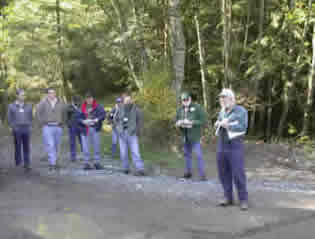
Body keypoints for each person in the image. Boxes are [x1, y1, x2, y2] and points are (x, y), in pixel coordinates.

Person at [215, 88, 249, 211]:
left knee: (238, 173)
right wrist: (218, 123)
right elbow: (220, 121)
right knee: (223, 173)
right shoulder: (222, 111)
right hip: (221, 145)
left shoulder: (241, 111)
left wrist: (227, 125)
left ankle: (243, 199)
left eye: (224, 98)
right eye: (221, 98)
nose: (222, 100)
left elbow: (243, 127)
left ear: (232, 99)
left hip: (235, 146)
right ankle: (227, 197)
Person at [175, 92, 207, 181]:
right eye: (183, 100)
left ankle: (202, 175)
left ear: (190, 99)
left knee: (198, 154)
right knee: (187, 155)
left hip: (195, 136)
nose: (185, 102)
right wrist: (178, 123)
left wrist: (192, 122)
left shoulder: (198, 108)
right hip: (185, 136)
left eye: (186, 99)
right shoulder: (180, 109)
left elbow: (204, 121)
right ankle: (188, 173)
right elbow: (176, 119)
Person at [115, 93, 145, 176]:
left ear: (132, 100)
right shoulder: (120, 109)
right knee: (123, 153)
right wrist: (118, 129)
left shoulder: (136, 109)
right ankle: (125, 168)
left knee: (135, 152)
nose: (128, 101)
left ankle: (140, 169)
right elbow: (115, 120)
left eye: (129, 100)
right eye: (126, 100)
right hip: (122, 134)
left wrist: (138, 131)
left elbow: (139, 121)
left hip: (132, 133)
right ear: (123, 101)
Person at [36, 88, 66, 171]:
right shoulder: (43, 102)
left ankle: (56, 161)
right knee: (50, 144)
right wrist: (41, 122)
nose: (51, 94)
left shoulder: (61, 102)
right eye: (49, 93)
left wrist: (63, 123)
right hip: (47, 126)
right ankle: (52, 163)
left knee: (57, 145)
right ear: (47, 94)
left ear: (55, 93)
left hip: (58, 126)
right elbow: (38, 112)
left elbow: (65, 113)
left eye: (53, 93)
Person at [79, 92, 106, 170]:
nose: (89, 100)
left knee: (96, 146)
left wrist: (97, 119)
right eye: (87, 98)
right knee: (85, 147)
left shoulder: (98, 106)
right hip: (85, 129)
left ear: (93, 98)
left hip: (95, 128)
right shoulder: (82, 107)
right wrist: (83, 121)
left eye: (90, 98)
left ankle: (96, 163)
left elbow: (103, 114)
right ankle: (86, 163)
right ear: (85, 99)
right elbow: (77, 118)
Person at [7, 89, 33, 172]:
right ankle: (18, 161)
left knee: (26, 147)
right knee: (18, 146)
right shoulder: (11, 106)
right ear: (17, 96)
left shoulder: (28, 105)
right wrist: (11, 127)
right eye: (22, 95)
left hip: (26, 128)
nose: (23, 97)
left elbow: (31, 116)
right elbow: (9, 117)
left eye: (24, 95)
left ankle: (27, 163)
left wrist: (30, 125)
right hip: (17, 129)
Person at [66, 95, 83, 162]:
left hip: (80, 126)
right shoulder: (69, 107)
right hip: (72, 126)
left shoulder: (81, 107)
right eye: (76, 101)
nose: (77, 102)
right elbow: (66, 117)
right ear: (73, 101)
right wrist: (69, 124)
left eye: (78, 101)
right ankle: (73, 156)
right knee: (72, 142)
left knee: (82, 141)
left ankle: (84, 155)